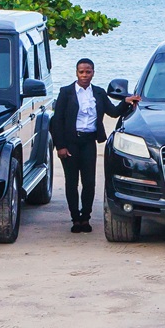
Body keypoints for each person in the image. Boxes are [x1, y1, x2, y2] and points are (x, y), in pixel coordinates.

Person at [51, 59, 137, 233]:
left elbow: (113, 112)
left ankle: (85, 218)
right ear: (76, 73)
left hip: (89, 142)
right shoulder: (66, 92)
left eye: (88, 72)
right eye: (81, 72)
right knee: (72, 182)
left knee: (89, 182)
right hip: (70, 143)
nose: (84, 75)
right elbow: (56, 121)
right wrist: (60, 146)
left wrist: (126, 101)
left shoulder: (98, 92)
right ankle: (75, 219)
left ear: (93, 73)